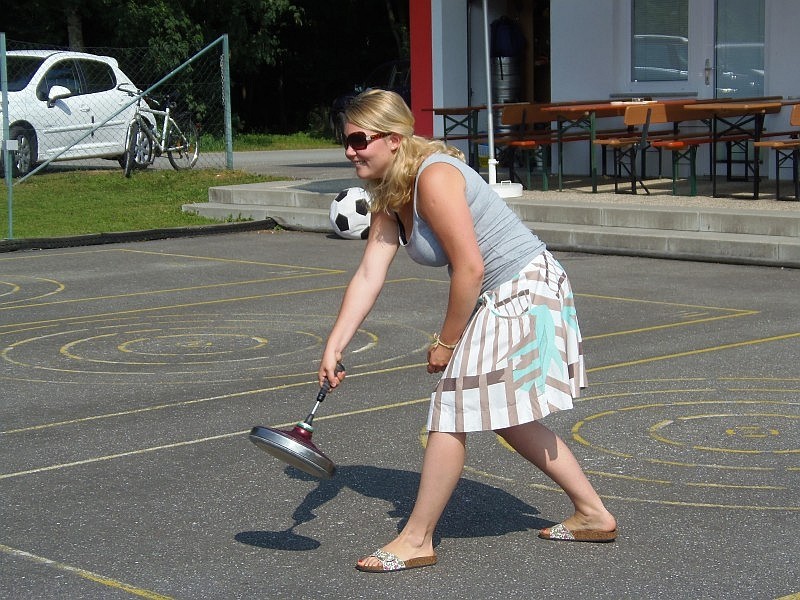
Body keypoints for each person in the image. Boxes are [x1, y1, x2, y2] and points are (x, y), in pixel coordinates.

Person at [318, 89, 617, 573]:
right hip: (505, 290)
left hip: (526, 287)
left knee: (452, 404)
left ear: (394, 139)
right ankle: (593, 513)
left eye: (358, 140)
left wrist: (446, 342)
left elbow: (470, 268)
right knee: (505, 412)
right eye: (344, 140)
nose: (349, 150)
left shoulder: (434, 177)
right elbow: (371, 272)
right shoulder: (391, 194)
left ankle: (416, 539)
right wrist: (335, 344)